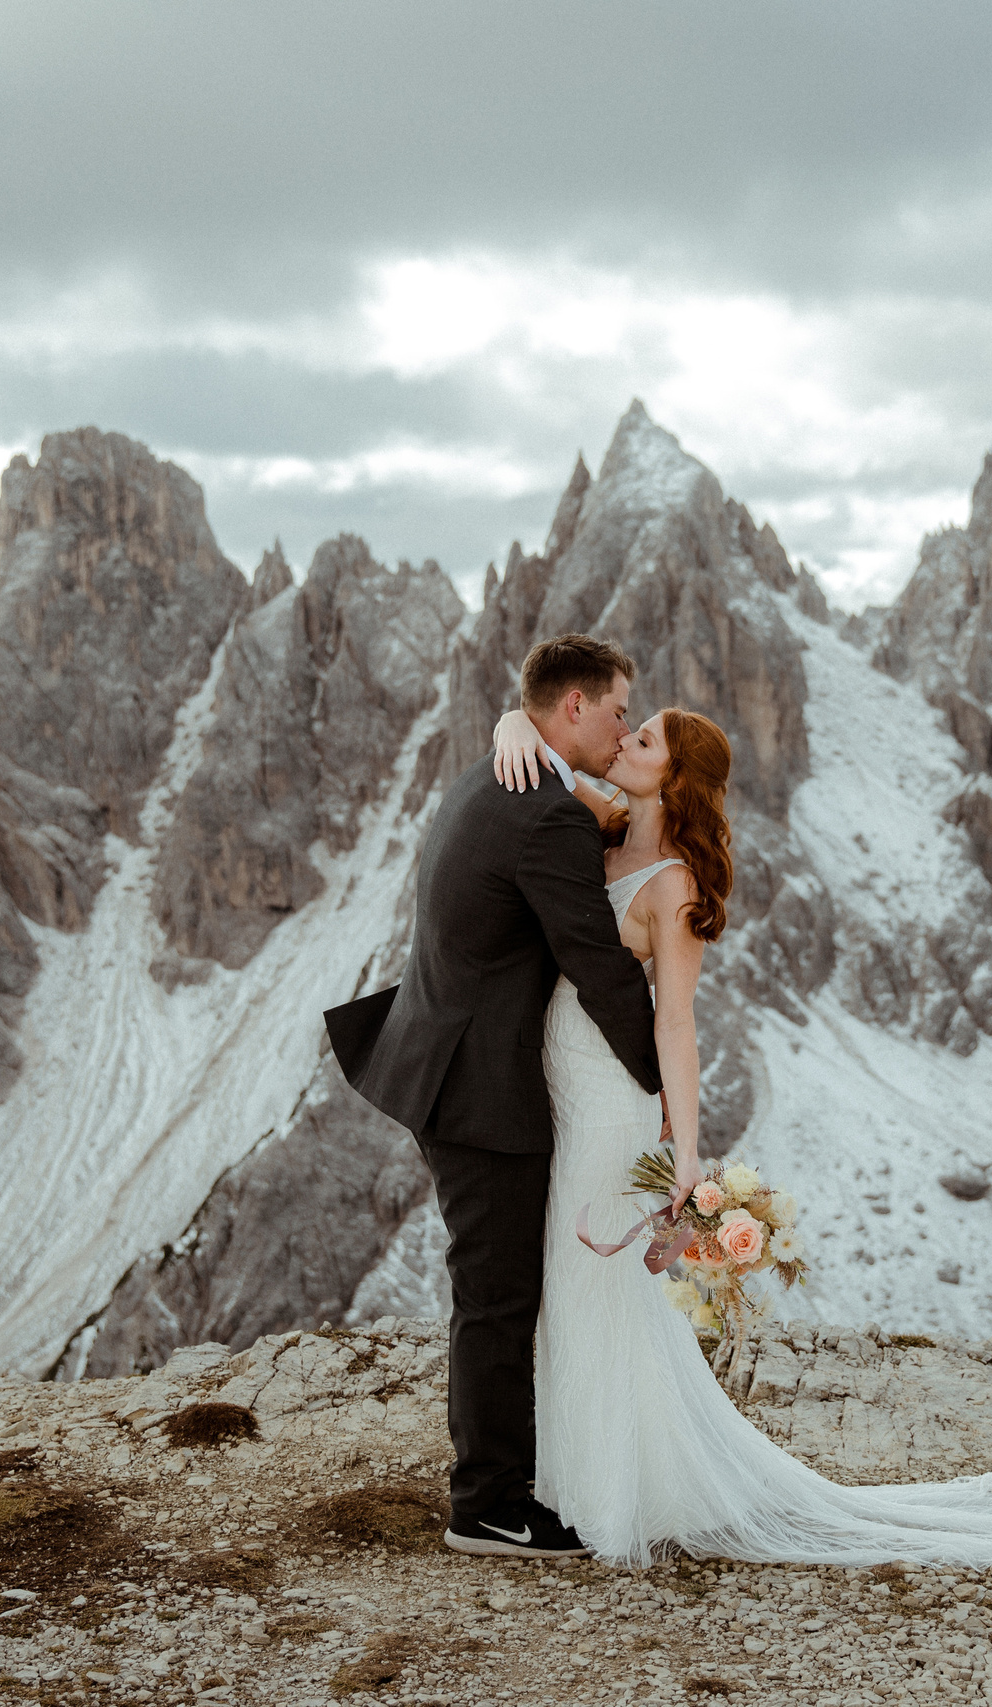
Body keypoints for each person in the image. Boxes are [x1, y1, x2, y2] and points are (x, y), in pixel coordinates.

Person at [479, 693, 992, 1570]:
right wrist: (511, 720)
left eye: (644, 739)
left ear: (675, 777)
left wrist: (687, 1153)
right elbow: (542, 757)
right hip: (560, 1084)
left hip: (609, 1098)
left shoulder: (675, 886)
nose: (623, 740)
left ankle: (602, 1492)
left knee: (590, 1280)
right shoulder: (603, 829)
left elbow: (676, 1022)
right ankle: (570, 1476)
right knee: (564, 1275)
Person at [325, 634, 657, 1560]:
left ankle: (502, 1486)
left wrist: (513, 719)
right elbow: (598, 964)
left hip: (445, 1058)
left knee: (494, 1288)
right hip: (479, 1088)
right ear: (575, 706)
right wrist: (665, 1084)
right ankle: (488, 1506)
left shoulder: (496, 774)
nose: (625, 726)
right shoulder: (544, 810)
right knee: (498, 1296)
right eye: (619, 709)